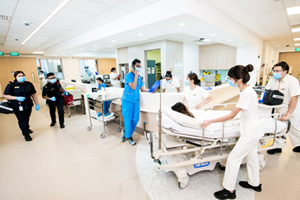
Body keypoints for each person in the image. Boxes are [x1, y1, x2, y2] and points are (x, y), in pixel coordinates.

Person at [201, 64, 263, 200]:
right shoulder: (248, 91)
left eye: (230, 78)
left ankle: (229, 190)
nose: (229, 80)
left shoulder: (246, 93)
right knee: (252, 157)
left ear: (238, 79)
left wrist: (210, 121)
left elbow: (231, 115)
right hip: (253, 129)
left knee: (233, 159)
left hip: (250, 132)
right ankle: (255, 183)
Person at [265, 61, 300, 154]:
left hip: (292, 107)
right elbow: (267, 91)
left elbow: (295, 98)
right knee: (277, 126)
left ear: (285, 71)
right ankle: (277, 146)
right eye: (274, 70)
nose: (275, 73)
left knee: (294, 127)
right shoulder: (273, 80)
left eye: (277, 71)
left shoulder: (292, 80)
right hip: (278, 107)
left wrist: (288, 114)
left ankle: (299, 144)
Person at [120, 58, 154, 145]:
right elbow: (134, 87)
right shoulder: (128, 76)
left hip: (135, 101)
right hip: (127, 100)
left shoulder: (139, 77)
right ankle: (129, 137)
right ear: (133, 67)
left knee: (135, 119)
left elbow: (142, 89)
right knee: (128, 119)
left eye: (140, 66)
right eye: (137, 66)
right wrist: (135, 75)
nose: (139, 68)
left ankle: (125, 131)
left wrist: (151, 90)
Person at [3, 71, 39, 141]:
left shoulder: (29, 84)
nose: (21, 77)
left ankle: (27, 128)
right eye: (19, 76)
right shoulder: (11, 85)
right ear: (15, 77)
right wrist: (16, 98)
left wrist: (37, 103)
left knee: (27, 117)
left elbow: (33, 94)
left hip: (28, 104)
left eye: (23, 75)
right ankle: (26, 134)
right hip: (17, 106)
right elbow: (5, 95)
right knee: (22, 120)